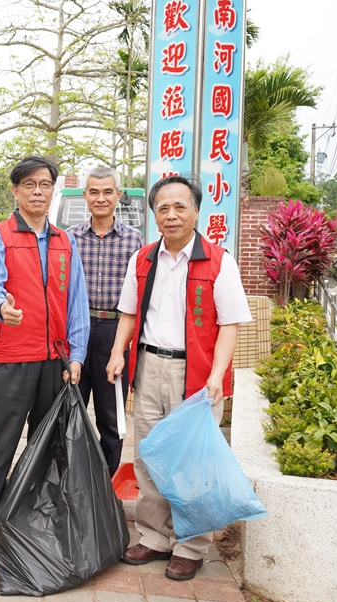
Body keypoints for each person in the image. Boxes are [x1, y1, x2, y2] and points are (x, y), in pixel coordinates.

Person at [106, 174, 251, 581]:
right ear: (154, 214)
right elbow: (130, 313)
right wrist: (119, 352)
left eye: (179, 207)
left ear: (196, 211)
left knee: (191, 462)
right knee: (150, 455)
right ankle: (154, 536)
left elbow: (229, 325)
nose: (171, 215)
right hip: (149, 368)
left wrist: (218, 375)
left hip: (197, 373)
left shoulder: (219, 261)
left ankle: (191, 545)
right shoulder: (144, 259)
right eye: (163, 208)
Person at [0, 155, 90, 550]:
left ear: (53, 189)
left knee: (45, 442)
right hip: (12, 357)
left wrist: (76, 356)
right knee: (1, 442)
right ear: (16, 190)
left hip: (53, 359)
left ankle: (27, 512)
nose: (37, 191)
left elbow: (77, 303)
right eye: (29, 185)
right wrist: (1, 307)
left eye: (44, 184)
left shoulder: (64, 240)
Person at [67, 166, 144, 474]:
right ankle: (72, 485)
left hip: (115, 333)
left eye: (107, 192)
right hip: (77, 332)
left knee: (111, 419)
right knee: (70, 412)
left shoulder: (135, 241)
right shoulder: (69, 239)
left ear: (118, 196)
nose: (101, 198)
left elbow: (139, 296)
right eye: (94, 192)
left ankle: (106, 486)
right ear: (85, 196)